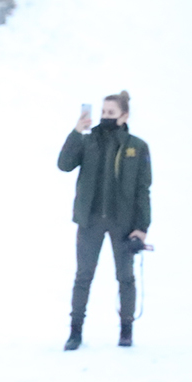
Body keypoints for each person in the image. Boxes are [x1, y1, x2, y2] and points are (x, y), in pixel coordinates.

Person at [58, 90, 151, 349]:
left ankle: (126, 331)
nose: (105, 117)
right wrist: (77, 132)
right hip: (90, 220)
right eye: (103, 112)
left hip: (122, 222)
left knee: (125, 277)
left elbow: (144, 190)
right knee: (83, 276)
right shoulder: (89, 142)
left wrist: (141, 228)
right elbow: (64, 164)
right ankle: (75, 332)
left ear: (124, 115)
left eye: (111, 113)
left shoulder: (137, 147)